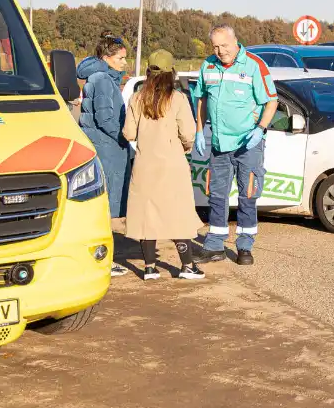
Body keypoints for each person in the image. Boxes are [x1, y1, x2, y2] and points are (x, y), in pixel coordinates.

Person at [189, 25, 278, 266]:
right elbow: (201, 98)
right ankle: (214, 245)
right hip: (219, 144)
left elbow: (271, 101)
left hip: (247, 144)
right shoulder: (208, 65)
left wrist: (260, 129)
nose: (220, 51)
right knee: (216, 195)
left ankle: (245, 246)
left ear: (235, 42)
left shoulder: (253, 65)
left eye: (224, 46)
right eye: (215, 47)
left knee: (247, 195)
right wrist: (199, 130)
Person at [121, 50, 206, 280]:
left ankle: (149, 267)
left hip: (144, 163)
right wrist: (185, 147)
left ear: (148, 71)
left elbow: (128, 133)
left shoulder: (136, 98)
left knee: (146, 215)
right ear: (172, 72)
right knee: (178, 214)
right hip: (173, 165)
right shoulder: (178, 99)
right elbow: (188, 133)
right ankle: (187, 266)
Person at [76, 35, 131, 277]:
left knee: (104, 207)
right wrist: (124, 136)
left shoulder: (101, 78)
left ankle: (102, 257)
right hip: (106, 149)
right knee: (104, 208)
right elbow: (105, 117)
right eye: (120, 58)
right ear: (106, 58)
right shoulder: (102, 80)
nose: (124, 63)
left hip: (107, 147)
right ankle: (103, 259)